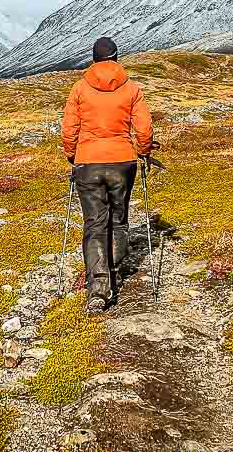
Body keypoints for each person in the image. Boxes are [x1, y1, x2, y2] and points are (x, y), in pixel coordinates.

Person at [61, 36, 154, 314]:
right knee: (118, 218)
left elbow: (69, 130)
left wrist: (72, 155)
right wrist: (144, 150)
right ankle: (114, 268)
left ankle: (98, 289)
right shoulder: (132, 89)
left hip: (88, 162)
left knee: (94, 224)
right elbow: (144, 129)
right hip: (123, 161)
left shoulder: (79, 89)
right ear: (116, 57)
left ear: (93, 58)